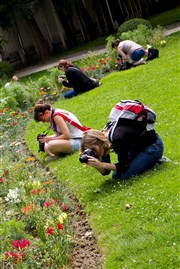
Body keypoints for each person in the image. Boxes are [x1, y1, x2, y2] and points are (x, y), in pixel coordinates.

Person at [80, 115, 164, 180]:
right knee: (115, 175)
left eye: (93, 149)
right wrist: (95, 164)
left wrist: (101, 164)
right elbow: (106, 171)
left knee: (124, 175)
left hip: (153, 146)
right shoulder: (103, 142)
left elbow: (123, 166)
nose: (95, 153)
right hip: (137, 148)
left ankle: (154, 159)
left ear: (97, 141)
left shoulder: (116, 138)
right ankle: (145, 160)